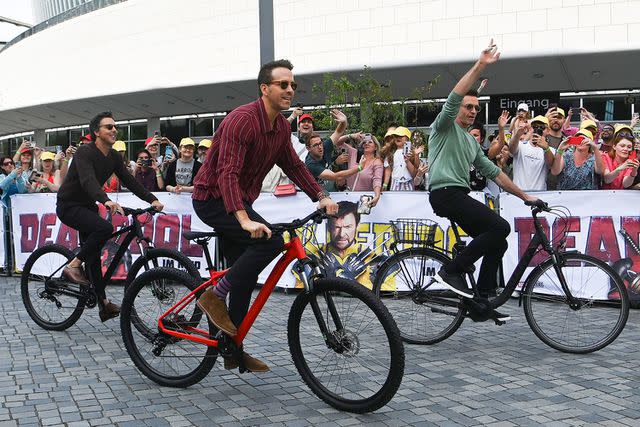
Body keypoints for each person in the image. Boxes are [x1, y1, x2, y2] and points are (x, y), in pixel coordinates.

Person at [192, 59, 338, 373]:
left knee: (243, 275)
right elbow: (227, 173)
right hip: (213, 199)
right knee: (270, 242)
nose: (290, 90)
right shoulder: (241, 120)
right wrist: (243, 219)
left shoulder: (282, 126)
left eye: (293, 85)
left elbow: (295, 166)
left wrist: (321, 196)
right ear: (264, 88)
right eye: (283, 84)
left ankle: (232, 348)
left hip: (240, 201)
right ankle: (213, 296)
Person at [427, 39, 539, 321]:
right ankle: (451, 270)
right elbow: (455, 96)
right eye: (468, 106)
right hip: (445, 194)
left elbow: (495, 173)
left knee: (497, 241)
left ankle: (482, 302)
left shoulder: (470, 142)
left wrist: (525, 196)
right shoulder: (442, 128)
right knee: (500, 226)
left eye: (476, 108)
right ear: (457, 109)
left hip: (457, 195)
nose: (472, 111)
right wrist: (480, 65)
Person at [56, 112, 164, 322]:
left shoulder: (114, 156)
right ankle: (73, 265)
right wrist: (105, 200)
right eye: (108, 127)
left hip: (88, 207)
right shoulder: (85, 152)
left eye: (115, 126)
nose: (114, 129)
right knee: (105, 229)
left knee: (95, 255)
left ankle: (103, 305)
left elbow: (131, 182)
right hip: (69, 206)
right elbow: (88, 181)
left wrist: (152, 199)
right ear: (96, 132)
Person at [509, 115, 555, 191]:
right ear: (530, 129)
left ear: (548, 131)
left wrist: (546, 148)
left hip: (540, 194)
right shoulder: (521, 145)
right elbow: (511, 150)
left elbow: (551, 165)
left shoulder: (551, 150)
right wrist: (517, 135)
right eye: (535, 127)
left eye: (542, 127)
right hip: (519, 194)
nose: (538, 129)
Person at [381, 126, 419, 191]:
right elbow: (388, 170)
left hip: (408, 182)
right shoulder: (390, 153)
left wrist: (416, 155)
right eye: (396, 136)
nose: (398, 138)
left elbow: (415, 170)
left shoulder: (412, 152)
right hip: (395, 182)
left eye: (401, 136)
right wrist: (385, 185)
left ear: (407, 138)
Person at [350, 135, 383, 206]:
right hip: (349, 198)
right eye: (364, 142)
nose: (366, 143)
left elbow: (377, 180)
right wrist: (351, 136)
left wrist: (377, 195)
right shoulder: (354, 155)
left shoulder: (377, 162)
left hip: (365, 200)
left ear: (376, 147)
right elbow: (338, 143)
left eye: (370, 142)